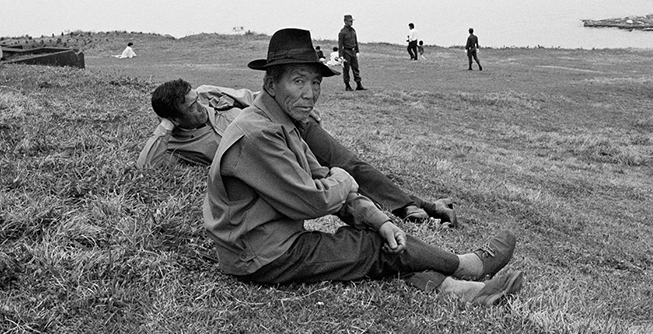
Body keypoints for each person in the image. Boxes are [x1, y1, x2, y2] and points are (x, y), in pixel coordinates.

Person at [203, 28, 523, 306]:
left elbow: (323, 177)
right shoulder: (258, 133)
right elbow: (313, 200)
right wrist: (344, 179)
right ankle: (468, 267)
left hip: (273, 243)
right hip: (261, 257)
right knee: (373, 248)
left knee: (380, 238)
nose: (310, 94)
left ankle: (458, 288)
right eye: (298, 81)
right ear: (271, 84)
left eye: (315, 82)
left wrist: (380, 220)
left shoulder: (282, 122)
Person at [137, 81, 458, 226]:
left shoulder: (209, 94)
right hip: (270, 151)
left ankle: (419, 206)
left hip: (289, 128)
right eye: (191, 105)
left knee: (348, 163)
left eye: (197, 97)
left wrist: (295, 109)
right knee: (328, 180)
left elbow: (253, 97)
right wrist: (165, 127)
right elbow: (145, 164)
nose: (200, 105)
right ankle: (407, 213)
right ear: (174, 118)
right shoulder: (176, 142)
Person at [338, 14, 366, 91]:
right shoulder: (342, 32)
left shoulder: (353, 31)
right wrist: (340, 56)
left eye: (351, 21)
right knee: (346, 69)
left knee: (356, 68)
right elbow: (340, 44)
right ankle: (347, 85)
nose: (351, 22)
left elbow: (355, 41)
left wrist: (357, 51)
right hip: (346, 52)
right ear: (345, 21)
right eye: (350, 21)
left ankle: (359, 84)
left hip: (353, 51)